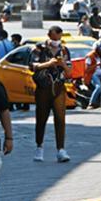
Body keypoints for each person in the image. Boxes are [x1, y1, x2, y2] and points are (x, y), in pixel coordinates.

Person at [31, 26, 71, 163]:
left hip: (59, 87)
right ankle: (39, 147)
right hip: (43, 87)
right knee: (41, 118)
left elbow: (69, 72)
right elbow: (32, 66)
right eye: (52, 37)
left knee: (60, 119)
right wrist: (48, 64)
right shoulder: (39, 49)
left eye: (57, 37)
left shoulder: (64, 50)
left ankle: (61, 149)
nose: (55, 40)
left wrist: (63, 64)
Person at [84, 41, 101, 109]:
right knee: (99, 87)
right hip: (93, 74)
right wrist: (97, 65)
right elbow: (87, 69)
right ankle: (91, 103)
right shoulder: (90, 56)